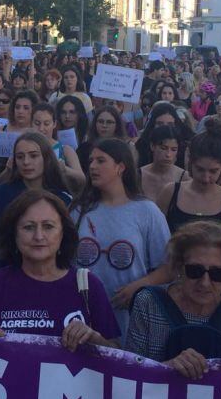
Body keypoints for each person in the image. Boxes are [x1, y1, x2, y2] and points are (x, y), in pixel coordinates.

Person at [0, 190, 120, 348]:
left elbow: (120, 359)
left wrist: (94, 339)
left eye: (48, 226)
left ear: (63, 233)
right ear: (14, 234)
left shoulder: (88, 285)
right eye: (28, 227)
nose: (39, 236)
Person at [127, 221, 221, 375]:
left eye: (217, 273)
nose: (205, 283)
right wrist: (167, 368)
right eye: (195, 271)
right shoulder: (147, 303)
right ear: (179, 267)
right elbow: (131, 375)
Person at [72, 138, 171, 333]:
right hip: (82, 315)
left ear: (120, 167)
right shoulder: (78, 210)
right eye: (91, 161)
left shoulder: (147, 211)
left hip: (130, 317)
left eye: (101, 161)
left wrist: (140, 286)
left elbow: (168, 267)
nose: (92, 166)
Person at [0, 132, 72, 278]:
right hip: (3, 276)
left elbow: (67, 247)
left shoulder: (62, 199)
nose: (26, 162)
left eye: (33, 156)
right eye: (20, 157)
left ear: (46, 158)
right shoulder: (1, 194)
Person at [31, 102, 85, 190]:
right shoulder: (23, 148)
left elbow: (82, 179)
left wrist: (65, 169)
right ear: (31, 123)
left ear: (54, 124)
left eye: (46, 123)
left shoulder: (65, 150)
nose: (41, 128)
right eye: (37, 123)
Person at [134, 102, 191, 169]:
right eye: (160, 124)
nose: (165, 128)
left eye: (170, 124)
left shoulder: (186, 148)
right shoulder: (142, 145)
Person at [77, 105, 132, 171]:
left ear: (117, 125)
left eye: (109, 122)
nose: (104, 125)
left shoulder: (125, 150)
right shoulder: (84, 148)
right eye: (100, 121)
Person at [139, 126, 183, 203]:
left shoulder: (184, 178)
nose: (168, 154)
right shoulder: (137, 176)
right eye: (163, 148)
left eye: (174, 150)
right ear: (152, 146)